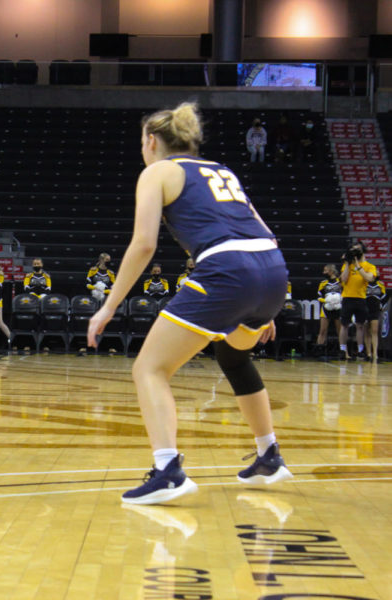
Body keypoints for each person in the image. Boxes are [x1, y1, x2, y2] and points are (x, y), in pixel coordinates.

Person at [87, 102, 293, 505]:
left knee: (150, 368)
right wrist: (268, 301)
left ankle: (167, 471)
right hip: (272, 270)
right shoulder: (222, 170)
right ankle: (268, 453)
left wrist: (108, 306)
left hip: (229, 270)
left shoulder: (157, 172)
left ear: (151, 141)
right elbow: (267, 232)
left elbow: (144, 243)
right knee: (233, 356)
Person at [339, 241, 376, 360]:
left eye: (357, 250)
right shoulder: (347, 265)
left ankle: (360, 350)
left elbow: (369, 278)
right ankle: (343, 350)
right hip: (347, 297)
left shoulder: (369, 266)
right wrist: (347, 262)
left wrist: (357, 265)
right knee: (344, 325)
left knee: (360, 325)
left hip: (361, 298)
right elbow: (343, 280)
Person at [313, 264, 343, 356]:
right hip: (326, 308)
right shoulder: (323, 283)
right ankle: (319, 349)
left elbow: (345, 293)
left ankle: (342, 350)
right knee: (322, 330)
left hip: (338, 308)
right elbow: (318, 296)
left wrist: (339, 300)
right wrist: (326, 301)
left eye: (325, 270)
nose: (324, 273)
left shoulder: (340, 282)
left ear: (331, 271)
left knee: (340, 330)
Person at [365, 278, 386, 363]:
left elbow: (383, 298)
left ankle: (375, 353)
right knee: (366, 331)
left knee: (374, 331)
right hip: (365, 309)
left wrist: (381, 307)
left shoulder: (380, 285)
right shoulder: (364, 284)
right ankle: (368, 353)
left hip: (375, 309)